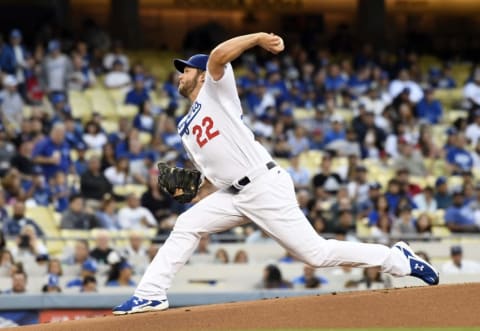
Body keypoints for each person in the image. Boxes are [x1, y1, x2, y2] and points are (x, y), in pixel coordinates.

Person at [113, 32, 439, 315]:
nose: (180, 75)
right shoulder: (185, 126)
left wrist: (256, 39)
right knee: (186, 224)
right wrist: (194, 192)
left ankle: (395, 259)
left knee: (315, 254)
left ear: (200, 75)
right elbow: (215, 175)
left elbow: (217, 57)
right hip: (232, 194)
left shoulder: (216, 93)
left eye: (185, 69)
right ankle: (150, 294)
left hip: (262, 185)